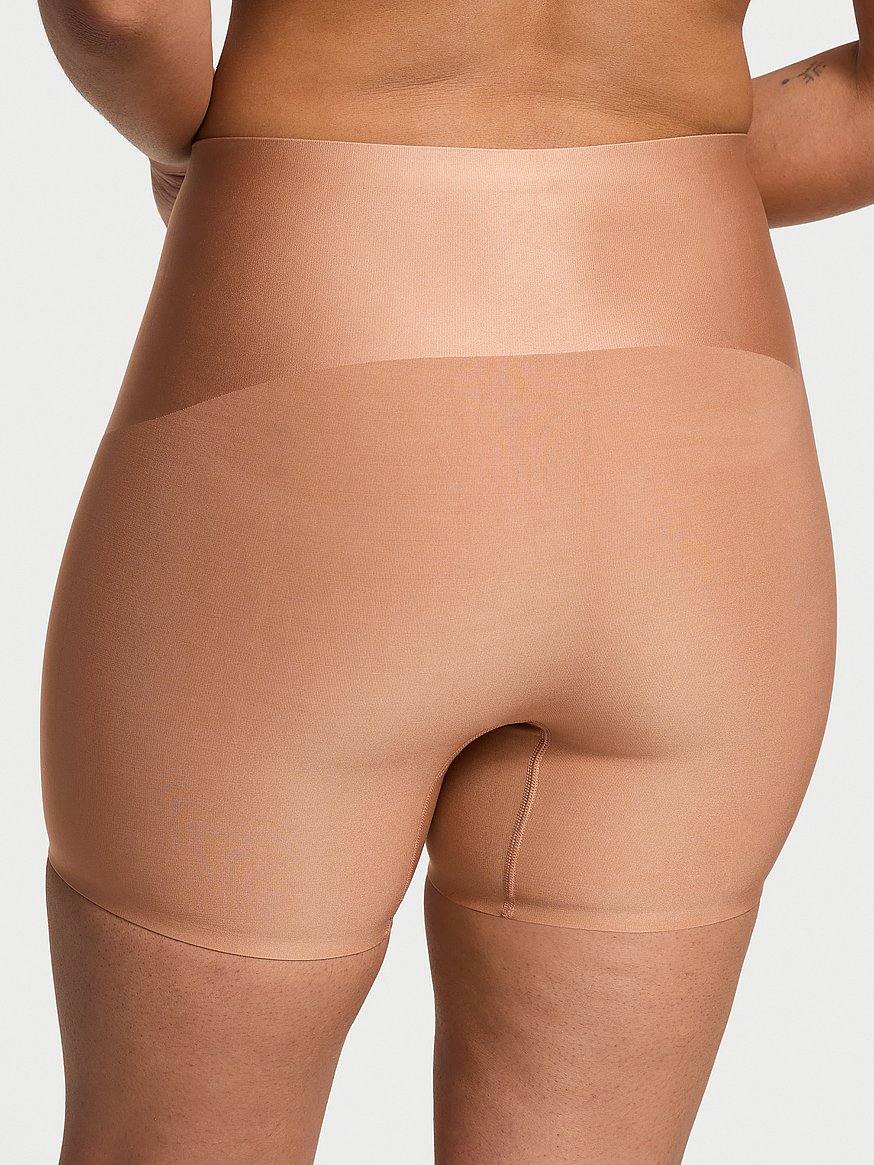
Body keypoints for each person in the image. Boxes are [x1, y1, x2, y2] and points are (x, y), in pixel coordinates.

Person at [35, 1, 871, 1161]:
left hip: (317, 391)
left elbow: (120, 12)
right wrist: (662, 157)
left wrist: (195, 145)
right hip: (700, 448)